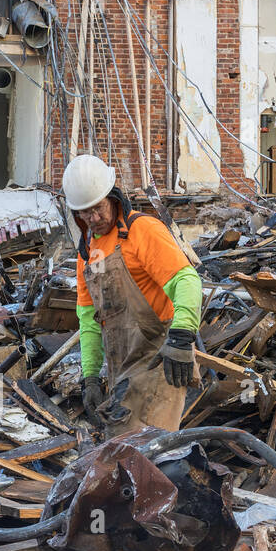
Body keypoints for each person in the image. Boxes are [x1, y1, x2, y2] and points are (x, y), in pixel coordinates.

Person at [64, 154, 203, 434]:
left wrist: (182, 335)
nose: (95, 218)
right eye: (85, 212)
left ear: (112, 196)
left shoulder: (143, 230)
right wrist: (90, 377)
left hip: (161, 358)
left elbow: (187, 280)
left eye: (99, 208)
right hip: (122, 368)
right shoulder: (86, 254)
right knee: (121, 453)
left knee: (147, 450)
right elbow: (89, 319)